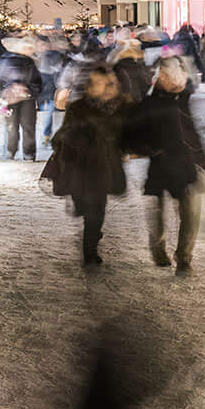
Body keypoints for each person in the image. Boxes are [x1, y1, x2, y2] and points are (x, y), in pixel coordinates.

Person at [124, 56, 205, 271]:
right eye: (170, 75)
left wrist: (203, 162)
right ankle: (158, 248)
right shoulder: (149, 104)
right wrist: (152, 150)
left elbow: (193, 133)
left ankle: (184, 256)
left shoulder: (185, 99)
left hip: (186, 165)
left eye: (178, 75)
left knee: (190, 212)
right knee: (158, 210)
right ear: (160, 77)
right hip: (161, 165)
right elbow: (131, 136)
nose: (176, 80)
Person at [43, 70, 127, 267]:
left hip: (101, 166)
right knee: (86, 205)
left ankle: (89, 252)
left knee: (97, 210)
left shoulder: (114, 107)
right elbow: (63, 134)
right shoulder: (78, 107)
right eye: (97, 83)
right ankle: (90, 232)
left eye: (106, 84)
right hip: (80, 165)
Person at [0, 35, 45, 160]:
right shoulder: (8, 61)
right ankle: (22, 152)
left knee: (17, 126)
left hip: (18, 98)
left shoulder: (7, 61)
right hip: (17, 98)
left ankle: (16, 152)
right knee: (19, 126)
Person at [110, 40, 152, 105]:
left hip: (119, 100)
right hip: (134, 100)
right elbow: (145, 84)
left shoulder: (115, 66)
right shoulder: (138, 66)